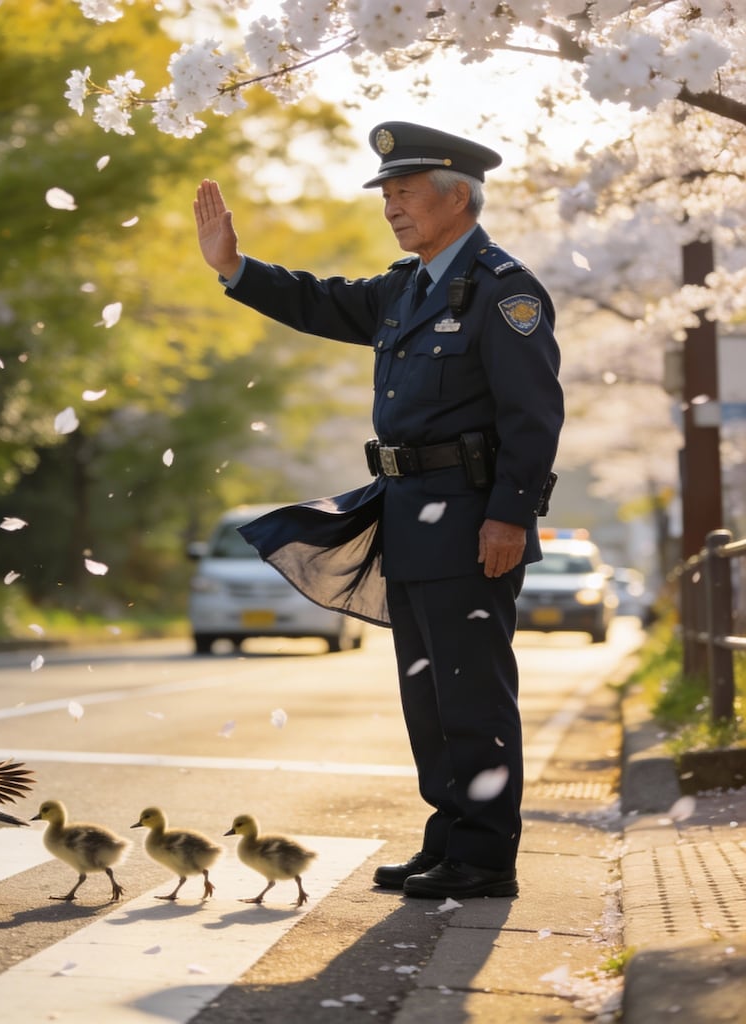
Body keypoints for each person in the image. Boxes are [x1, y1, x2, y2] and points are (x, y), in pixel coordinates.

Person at [194, 122, 564, 900]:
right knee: (429, 699)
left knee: (473, 696)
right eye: (386, 195)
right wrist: (234, 267)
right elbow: (319, 301)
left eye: (404, 193)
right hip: (405, 517)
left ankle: (486, 858)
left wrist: (510, 516)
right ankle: (450, 837)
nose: (391, 207)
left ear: (456, 196)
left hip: (471, 525)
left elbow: (534, 417)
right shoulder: (407, 285)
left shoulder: (507, 291)